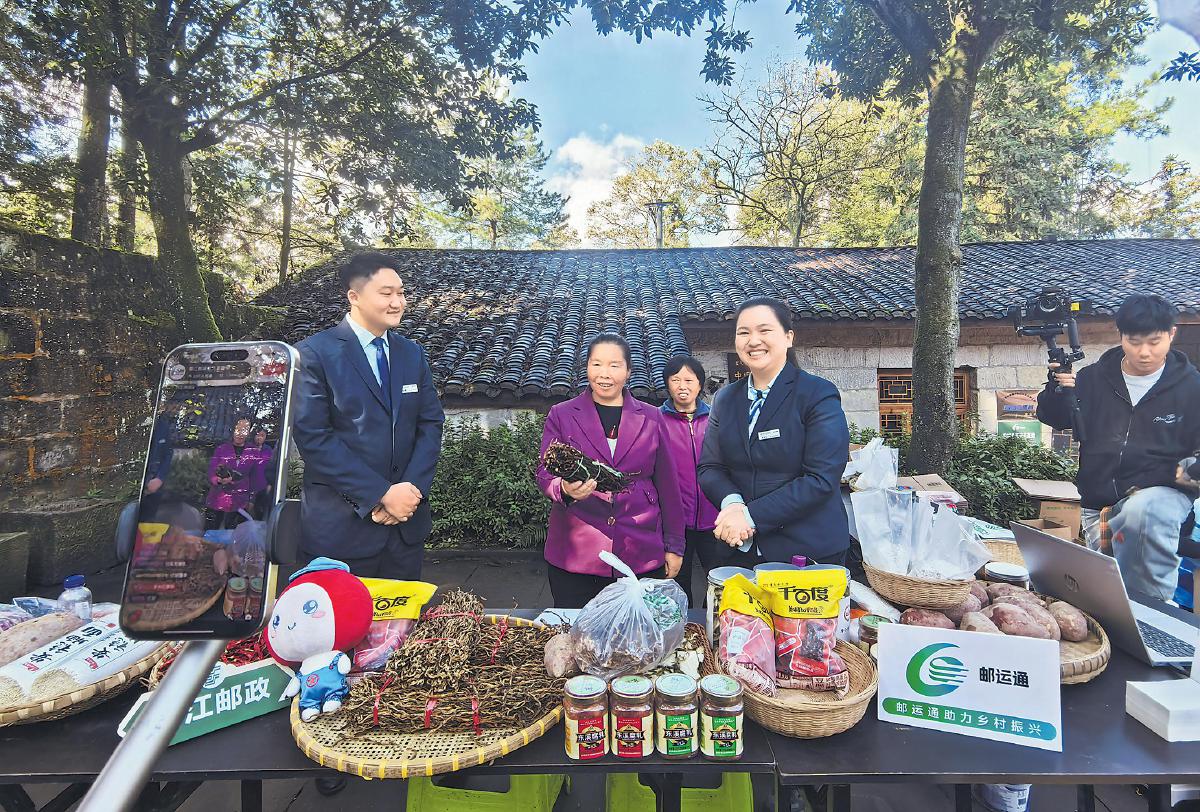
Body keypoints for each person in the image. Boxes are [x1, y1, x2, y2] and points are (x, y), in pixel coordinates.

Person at [1037, 293, 1200, 601]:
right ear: (1121, 335)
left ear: (1171, 334)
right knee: (1107, 596)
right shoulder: (1094, 379)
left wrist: (1176, 478)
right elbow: (1054, 418)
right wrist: (1056, 389)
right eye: (1134, 342)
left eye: (1154, 342)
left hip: (1160, 502)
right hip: (1099, 506)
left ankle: (1153, 614)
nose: (1144, 352)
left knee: (1144, 513)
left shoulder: (1192, 389)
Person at [293, 252, 445, 581]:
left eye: (401, 293)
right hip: (341, 531)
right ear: (355, 296)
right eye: (386, 293)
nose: (397, 302)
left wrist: (410, 492)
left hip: (404, 530)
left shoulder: (411, 353)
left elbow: (430, 424)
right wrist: (380, 494)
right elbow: (313, 437)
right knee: (341, 615)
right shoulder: (314, 354)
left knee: (405, 615)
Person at [697, 296, 851, 567]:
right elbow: (710, 467)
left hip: (807, 549)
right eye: (743, 332)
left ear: (788, 337)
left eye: (764, 330)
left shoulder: (817, 393)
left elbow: (820, 478)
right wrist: (733, 504)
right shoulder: (725, 399)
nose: (753, 340)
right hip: (740, 547)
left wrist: (750, 516)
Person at [537, 333, 686, 609]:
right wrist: (564, 488)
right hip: (576, 553)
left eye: (614, 365)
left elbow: (669, 487)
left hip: (640, 549)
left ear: (628, 371)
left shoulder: (651, 417)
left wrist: (675, 545)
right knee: (576, 630)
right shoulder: (562, 414)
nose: (604, 374)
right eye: (596, 364)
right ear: (587, 367)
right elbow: (544, 474)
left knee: (637, 630)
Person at [659, 355, 720, 605]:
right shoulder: (656, 421)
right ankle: (682, 625)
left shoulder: (716, 419)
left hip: (714, 517)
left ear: (700, 384)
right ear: (667, 384)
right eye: (675, 380)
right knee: (676, 580)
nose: (682, 386)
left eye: (689, 380)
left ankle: (711, 623)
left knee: (718, 579)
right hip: (674, 520)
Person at [204, 417, 262, 529]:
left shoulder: (253, 452)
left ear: (248, 433)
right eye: (238, 429)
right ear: (233, 430)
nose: (240, 433)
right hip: (218, 497)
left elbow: (256, 477)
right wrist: (217, 479)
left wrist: (252, 499)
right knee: (211, 532)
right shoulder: (221, 449)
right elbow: (211, 469)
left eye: (244, 430)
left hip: (240, 500)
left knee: (235, 533)